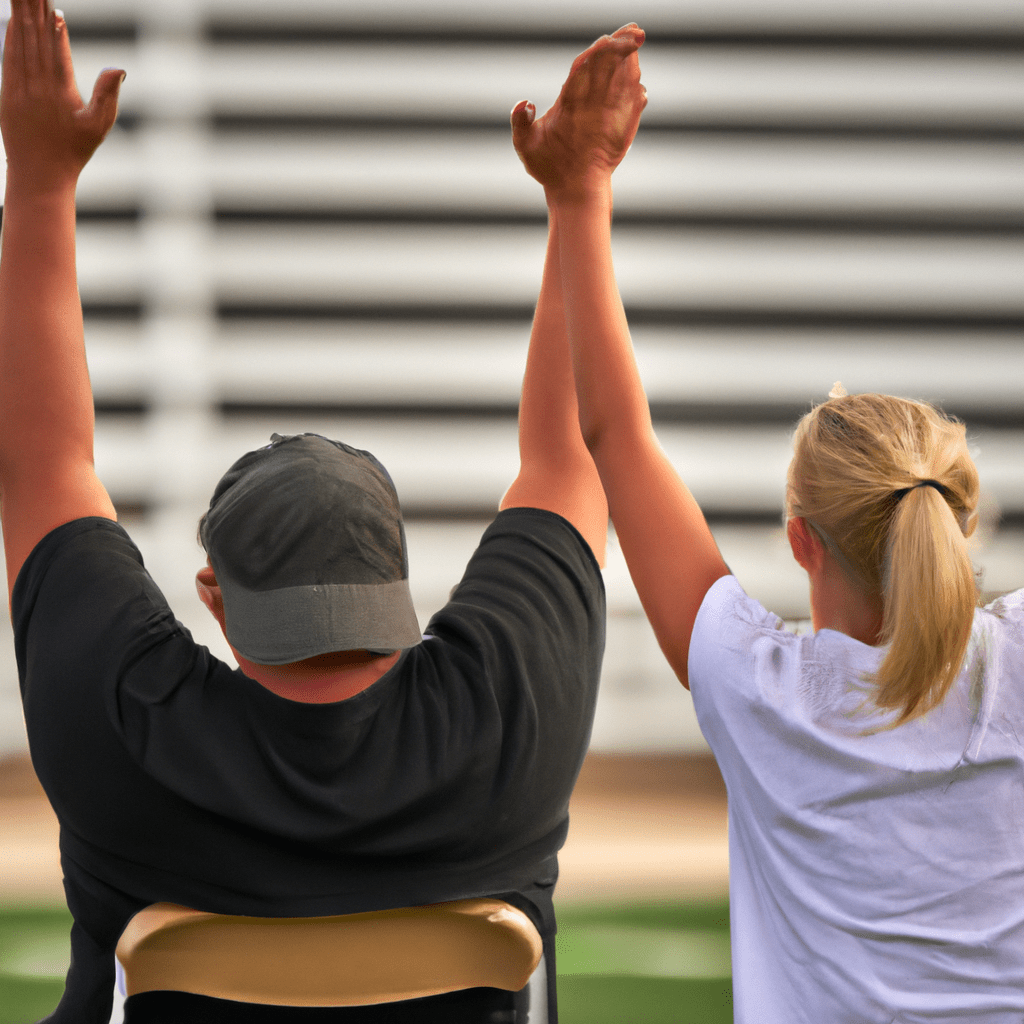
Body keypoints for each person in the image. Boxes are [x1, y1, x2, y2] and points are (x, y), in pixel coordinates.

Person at [0, 3, 613, 1021]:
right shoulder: (509, 712)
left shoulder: (119, 724)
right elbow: (572, 451)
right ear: (396, 589)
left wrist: (40, 176)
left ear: (216, 597)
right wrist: (578, 196)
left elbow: (42, 460)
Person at [513, 21, 1024, 1024]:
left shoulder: (761, 692)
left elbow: (611, 431)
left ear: (801, 539)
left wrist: (581, 190)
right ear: (961, 525)